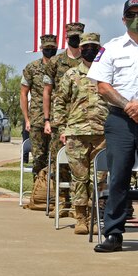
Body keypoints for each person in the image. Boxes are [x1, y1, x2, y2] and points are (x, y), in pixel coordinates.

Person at [88, 0, 138, 253]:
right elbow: (102, 85)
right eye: (131, 14)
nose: (136, 18)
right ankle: (113, 233)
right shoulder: (110, 48)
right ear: (123, 19)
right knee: (118, 176)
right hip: (120, 119)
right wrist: (127, 105)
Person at [52, 33, 108, 235]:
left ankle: (95, 215)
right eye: (86, 47)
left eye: (93, 46)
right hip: (76, 132)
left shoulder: (106, 73)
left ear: (99, 49)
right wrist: (61, 129)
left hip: (102, 133)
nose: (89, 50)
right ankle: (81, 218)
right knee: (79, 177)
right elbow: (59, 102)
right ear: (81, 49)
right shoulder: (71, 74)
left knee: (99, 178)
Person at [43, 22, 84, 217]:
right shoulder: (55, 62)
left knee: (80, 163)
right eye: (72, 36)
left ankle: (79, 205)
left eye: (78, 36)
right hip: (60, 119)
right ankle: (61, 201)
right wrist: (47, 119)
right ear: (66, 37)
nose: (75, 39)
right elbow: (47, 91)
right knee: (58, 161)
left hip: (82, 119)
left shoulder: (89, 59)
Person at [21, 34, 58, 211]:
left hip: (58, 118)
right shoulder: (32, 67)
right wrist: (27, 119)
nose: (50, 50)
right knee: (39, 157)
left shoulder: (61, 65)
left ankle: (55, 195)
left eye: (53, 47)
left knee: (57, 158)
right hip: (36, 119)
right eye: (47, 47)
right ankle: (38, 195)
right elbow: (23, 93)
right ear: (41, 48)